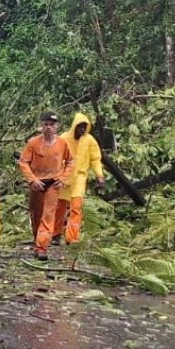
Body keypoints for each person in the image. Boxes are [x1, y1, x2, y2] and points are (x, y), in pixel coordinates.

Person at [18, 111, 74, 258]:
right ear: (41, 126)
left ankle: (42, 247)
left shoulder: (62, 144)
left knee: (48, 215)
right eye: (46, 124)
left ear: (57, 127)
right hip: (37, 183)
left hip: (53, 184)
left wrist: (63, 178)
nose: (49, 127)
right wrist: (32, 179)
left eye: (52, 124)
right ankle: (37, 240)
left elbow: (70, 162)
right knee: (36, 214)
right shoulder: (33, 143)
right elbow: (24, 162)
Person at [58, 112, 105, 245]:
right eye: (80, 126)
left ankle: (71, 237)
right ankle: (56, 234)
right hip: (64, 177)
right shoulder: (64, 138)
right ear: (74, 126)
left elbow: (95, 159)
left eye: (85, 127)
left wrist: (99, 175)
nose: (82, 130)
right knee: (60, 208)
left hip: (79, 177)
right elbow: (56, 157)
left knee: (76, 207)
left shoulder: (89, 140)